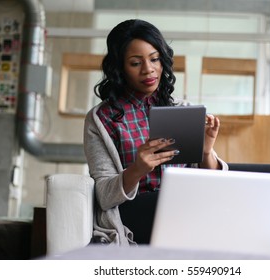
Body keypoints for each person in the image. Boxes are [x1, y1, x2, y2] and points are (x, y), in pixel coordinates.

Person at [83, 19, 228, 246]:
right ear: (119, 67)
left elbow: (216, 185)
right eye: (135, 63)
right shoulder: (101, 119)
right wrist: (138, 169)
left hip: (184, 206)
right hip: (136, 211)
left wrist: (206, 152)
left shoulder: (182, 110)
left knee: (218, 208)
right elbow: (104, 196)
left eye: (154, 59)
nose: (148, 69)